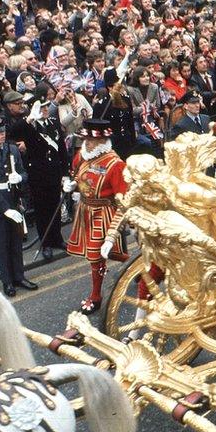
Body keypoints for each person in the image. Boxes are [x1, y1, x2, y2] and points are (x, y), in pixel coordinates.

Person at [63, 119, 129, 314]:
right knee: (92, 255)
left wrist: (114, 231)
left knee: (95, 255)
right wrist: (73, 184)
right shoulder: (82, 155)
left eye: (91, 141)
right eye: (86, 139)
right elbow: (78, 174)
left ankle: (96, 295)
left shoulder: (115, 164)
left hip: (104, 212)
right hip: (84, 210)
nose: (87, 143)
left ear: (102, 141)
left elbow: (123, 199)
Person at [0, 116, 37, 298]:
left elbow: (24, 173)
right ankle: (8, 281)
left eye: (3, 131)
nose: (2, 135)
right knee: (3, 245)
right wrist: (5, 209)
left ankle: (19, 276)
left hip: (14, 200)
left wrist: (20, 178)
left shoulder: (12, 150)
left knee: (16, 242)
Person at [6, 93, 68, 261]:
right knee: (42, 210)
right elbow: (12, 133)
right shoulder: (29, 126)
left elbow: (61, 148)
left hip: (54, 171)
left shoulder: (53, 123)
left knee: (55, 206)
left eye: (47, 106)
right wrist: (30, 119)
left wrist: (65, 173)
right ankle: (46, 242)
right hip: (38, 174)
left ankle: (57, 239)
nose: (46, 109)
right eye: (42, 107)